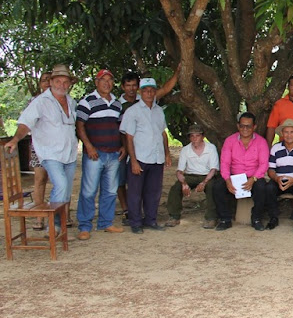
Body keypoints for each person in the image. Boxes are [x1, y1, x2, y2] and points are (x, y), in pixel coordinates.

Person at [4, 64, 78, 233]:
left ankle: (59, 226)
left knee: (65, 190)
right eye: (58, 81)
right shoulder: (40, 102)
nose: (62, 85)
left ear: (69, 84)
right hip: (50, 153)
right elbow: (25, 123)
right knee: (60, 185)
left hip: (70, 153)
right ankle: (54, 226)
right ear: (51, 82)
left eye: (65, 82)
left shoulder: (71, 102)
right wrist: (15, 139)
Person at [116, 67, 179, 225]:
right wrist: (134, 161)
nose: (149, 93)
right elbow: (129, 137)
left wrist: (166, 154)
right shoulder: (133, 111)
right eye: (146, 91)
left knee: (153, 192)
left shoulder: (159, 111)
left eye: (152, 90)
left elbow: (163, 134)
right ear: (140, 92)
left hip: (156, 158)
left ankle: (151, 220)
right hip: (141, 157)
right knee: (136, 193)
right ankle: (135, 222)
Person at [75, 69, 126, 240]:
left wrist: (123, 146)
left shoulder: (117, 104)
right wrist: (88, 146)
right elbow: (80, 126)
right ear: (96, 83)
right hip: (94, 153)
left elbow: (121, 128)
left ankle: (106, 222)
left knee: (110, 191)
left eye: (110, 80)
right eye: (103, 80)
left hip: (113, 154)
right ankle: (85, 225)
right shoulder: (87, 101)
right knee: (89, 191)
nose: (107, 83)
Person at [213, 112, 270, 231]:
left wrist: (253, 179)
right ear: (238, 126)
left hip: (253, 177)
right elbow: (224, 163)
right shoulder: (230, 141)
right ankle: (225, 219)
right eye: (242, 126)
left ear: (254, 127)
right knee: (218, 186)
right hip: (234, 176)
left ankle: (256, 219)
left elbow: (264, 164)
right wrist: (227, 180)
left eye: (248, 126)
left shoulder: (261, 142)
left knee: (262, 187)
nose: (245, 129)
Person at [166, 124, 219, 228]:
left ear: (203, 136)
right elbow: (179, 171)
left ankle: (211, 217)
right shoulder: (186, 150)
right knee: (176, 188)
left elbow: (213, 169)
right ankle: (174, 216)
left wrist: (204, 182)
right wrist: (184, 183)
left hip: (207, 175)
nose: (194, 138)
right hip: (190, 175)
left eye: (197, 136)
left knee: (212, 187)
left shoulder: (211, 148)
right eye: (192, 136)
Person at [265, 118, 293, 233]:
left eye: (292, 132)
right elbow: (271, 169)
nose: (289, 135)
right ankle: (273, 218)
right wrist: (276, 178)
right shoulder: (275, 148)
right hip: (279, 179)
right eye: (286, 132)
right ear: (282, 134)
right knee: (269, 188)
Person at [27, 71, 52, 230]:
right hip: (39, 147)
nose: (47, 83)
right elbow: (28, 123)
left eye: (50, 80)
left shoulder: (62, 101)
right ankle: (39, 217)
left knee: (61, 182)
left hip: (58, 148)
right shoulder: (34, 101)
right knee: (40, 180)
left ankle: (63, 215)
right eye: (44, 80)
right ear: (40, 84)